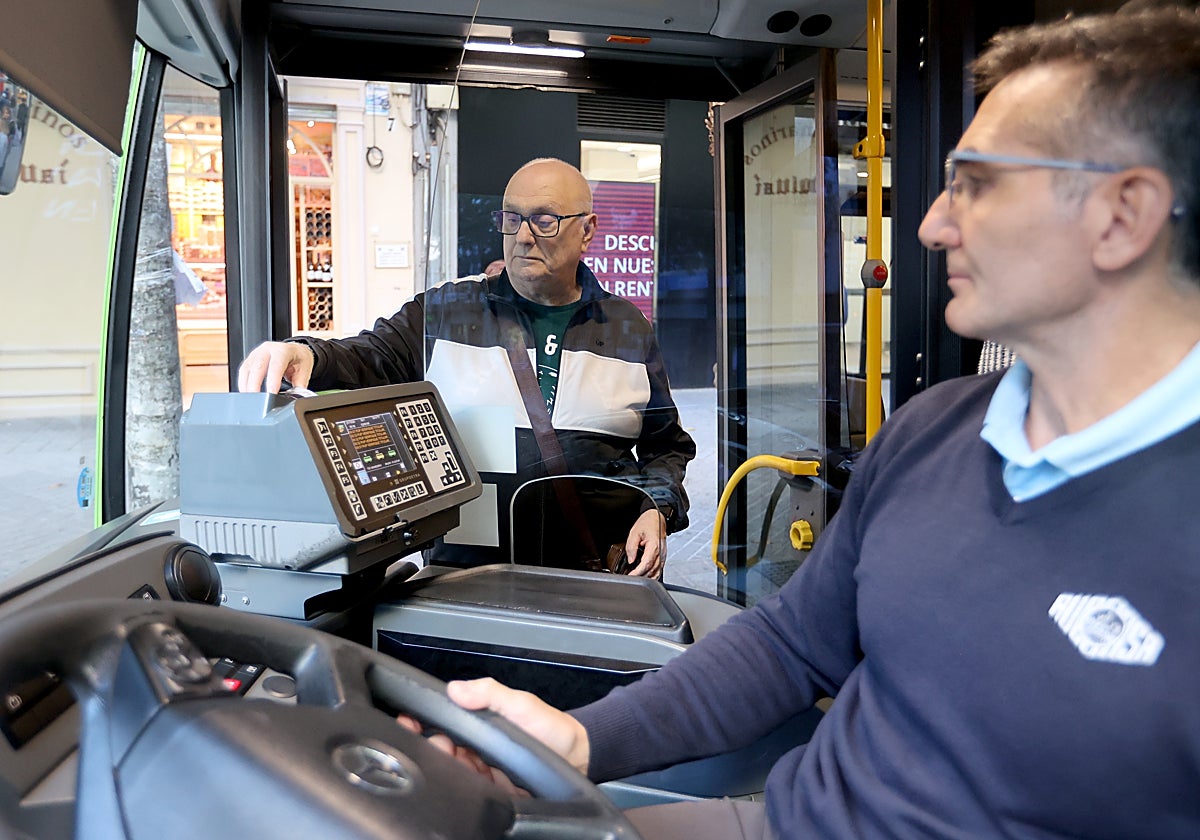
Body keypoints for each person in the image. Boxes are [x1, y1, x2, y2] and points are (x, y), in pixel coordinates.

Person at [429, 7, 1200, 838]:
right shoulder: (932, 431)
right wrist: (580, 739)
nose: (934, 225)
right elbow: (791, 646)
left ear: (1122, 217)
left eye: (975, 183)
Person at [238, 158, 695, 576]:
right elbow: (368, 356)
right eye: (512, 218)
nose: (523, 235)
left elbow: (665, 447)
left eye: (545, 219)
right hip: (465, 580)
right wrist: (307, 354)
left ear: (588, 230)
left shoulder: (628, 329)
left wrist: (657, 508)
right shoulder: (446, 311)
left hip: (596, 576)